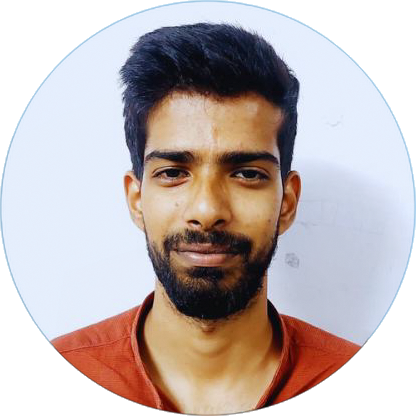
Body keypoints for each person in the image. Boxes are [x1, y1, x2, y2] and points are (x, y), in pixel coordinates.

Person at [5, 23, 415, 416]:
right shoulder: (52, 389)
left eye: (247, 174)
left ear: (287, 203)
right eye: (173, 173)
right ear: (137, 199)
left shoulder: (382, 400)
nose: (207, 210)